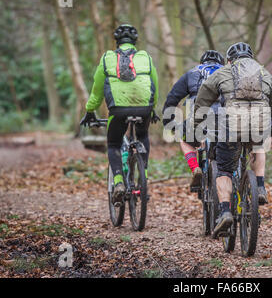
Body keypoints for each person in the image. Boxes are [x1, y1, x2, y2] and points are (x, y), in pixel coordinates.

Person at [193, 42, 272, 237]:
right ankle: (259, 186)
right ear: (251, 58)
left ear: (229, 60)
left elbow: (202, 99)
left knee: (224, 169)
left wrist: (197, 125)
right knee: (258, 145)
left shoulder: (224, 72)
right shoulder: (263, 72)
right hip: (259, 124)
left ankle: (225, 211)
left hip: (232, 127)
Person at [80, 24, 159, 207]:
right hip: (144, 108)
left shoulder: (108, 57)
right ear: (135, 42)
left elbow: (97, 90)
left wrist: (90, 110)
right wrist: (152, 108)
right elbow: (154, 84)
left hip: (118, 110)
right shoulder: (145, 56)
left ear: (116, 41)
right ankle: (143, 179)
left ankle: (118, 182)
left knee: (114, 143)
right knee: (143, 135)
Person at [162, 50, 225, 189]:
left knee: (183, 137)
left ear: (202, 63)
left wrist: (169, 123)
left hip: (198, 121)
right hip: (224, 120)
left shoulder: (191, 73)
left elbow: (172, 98)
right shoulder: (228, 72)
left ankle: (195, 167)